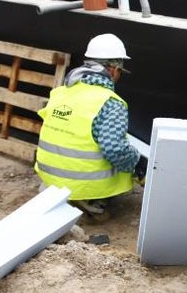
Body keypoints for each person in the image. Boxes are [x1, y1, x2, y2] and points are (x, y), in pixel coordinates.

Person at [35, 33, 146, 216]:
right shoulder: (110, 103)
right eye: (120, 71)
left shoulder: (60, 93)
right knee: (126, 156)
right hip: (82, 183)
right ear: (112, 69)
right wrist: (137, 163)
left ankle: (65, 191)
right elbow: (115, 149)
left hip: (49, 177)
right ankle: (90, 199)